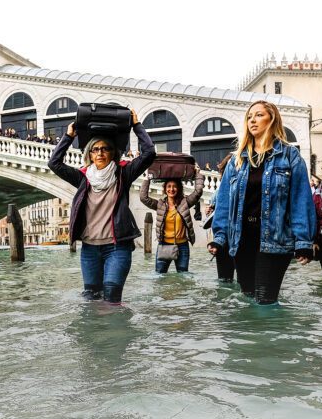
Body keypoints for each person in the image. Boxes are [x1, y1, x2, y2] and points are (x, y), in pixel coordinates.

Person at [208, 100, 316, 305]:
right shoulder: (237, 160)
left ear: (272, 119)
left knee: (265, 300)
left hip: (275, 239)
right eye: (249, 117)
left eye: (259, 115)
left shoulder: (289, 156)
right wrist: (219, 237)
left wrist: (304, 242)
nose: (252, 120)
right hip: (242, 239)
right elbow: (224, 202)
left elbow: (301, 200)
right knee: (248, 298)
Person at [48, 109, 156, 303]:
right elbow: (54, 163)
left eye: (105, 149)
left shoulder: (123, 174)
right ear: (90, 153)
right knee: (91, 299)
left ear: (113, 152)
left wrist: (136, 125)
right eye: (95, 149)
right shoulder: (82, 178)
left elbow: (149, 153)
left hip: (117, 247)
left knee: (112, 298)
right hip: (89, 249)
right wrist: (68, 136)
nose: (100, 153)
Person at [140, 166, 205, 273]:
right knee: (160, 276)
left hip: (182, 246)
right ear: (165, 189)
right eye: (169, 186)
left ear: (178, 189)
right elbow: (143, 198)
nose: (171, 189)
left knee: (183, 277)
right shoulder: (160, 205)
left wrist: (198, 174)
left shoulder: (185, 203)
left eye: (174, 187)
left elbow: (198, 192)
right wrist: (147, 178)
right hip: (164, 245)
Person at [204, 155, 235, 283]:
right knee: (225, 280)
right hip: (224, 239)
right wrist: (209, 212)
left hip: (227, 239)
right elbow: (214, 216)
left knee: (225, 280)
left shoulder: (218, 192)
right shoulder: (217, 193)